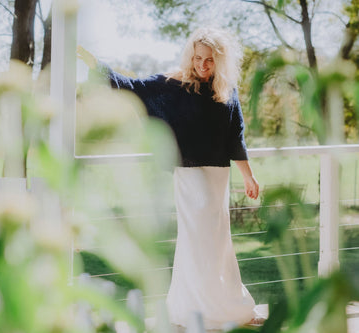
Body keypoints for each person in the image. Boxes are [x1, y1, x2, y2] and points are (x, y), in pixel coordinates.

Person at [78, 26, 264, 330]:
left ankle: (228, 308)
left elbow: (235, 137)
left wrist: (249, 176)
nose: (202, 65)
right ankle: (201, 312)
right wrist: (95, 65)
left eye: (209, 61)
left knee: (219, 243)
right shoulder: (174, 83)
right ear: (190, 56)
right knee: (199, 242)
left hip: (218, 175)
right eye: (197, 58)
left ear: (220, 62)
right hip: (189, 175)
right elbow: (132, 87)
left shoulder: (226, 91)